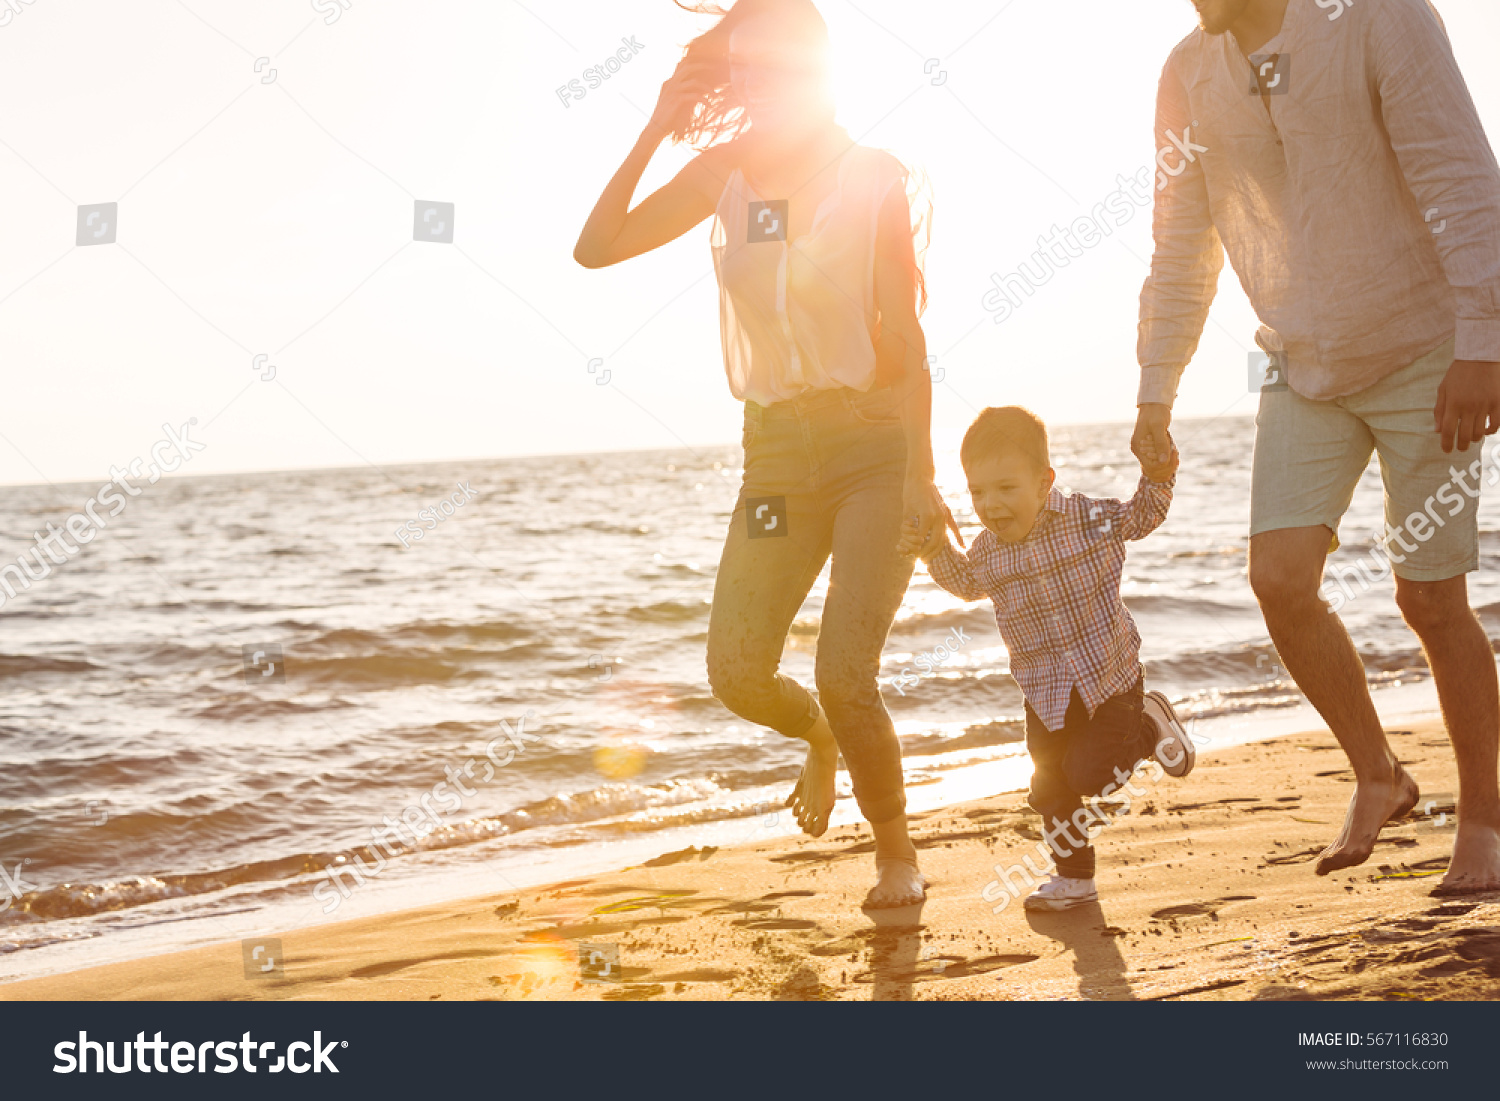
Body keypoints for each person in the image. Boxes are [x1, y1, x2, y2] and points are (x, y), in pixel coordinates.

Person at [573, 0, 956, 908]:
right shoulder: (724, 177)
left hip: (872, 449)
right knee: (736, 670)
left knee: (845, 670)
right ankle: (820, 736)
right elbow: (596, 248)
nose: (749, 80)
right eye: (739, 65)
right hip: (777, 462)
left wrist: (921, 473)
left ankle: (896, 853)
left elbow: (905, 337)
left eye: (765, 61)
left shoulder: (870, 178)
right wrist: (656, 127)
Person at [1132, 0, 1500, 893]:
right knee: (1280, 579)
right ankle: (1380, 774)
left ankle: (1486, 822)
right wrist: (1155, 387)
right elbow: (1181, 246)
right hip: (1299, 363)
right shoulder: (1188, 73)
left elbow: (1460, 177)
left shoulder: (1378, 18)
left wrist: (1484, 340)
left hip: (1426, 350)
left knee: (1429, 596)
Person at [900, 406, 1192, 910]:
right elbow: (965, 582)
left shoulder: (1085, 518)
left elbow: (1142, 515)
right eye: (977, 492)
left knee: (1093, 776)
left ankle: (1149, 725)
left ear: (1043, 483)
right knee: (1051, 784)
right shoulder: (988, 551)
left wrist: (1158, 473)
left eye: (1005, 488)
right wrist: (931, 549)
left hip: (1111, 679)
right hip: (1044, 691)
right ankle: (1074, 879)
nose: (990, 505)